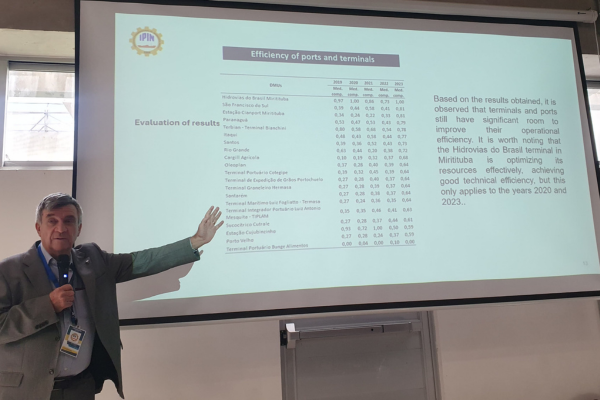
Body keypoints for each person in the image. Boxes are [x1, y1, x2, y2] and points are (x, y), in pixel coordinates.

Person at [0, 193, 223, 400]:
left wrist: (195, 241)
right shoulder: (9, 271)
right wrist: (47, 305)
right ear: (38, 228)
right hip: (27, 391)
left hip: (80, 388)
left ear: (79, 228)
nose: (61, 228)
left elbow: (143, 261)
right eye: (52, 221)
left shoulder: (95, 260)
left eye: (69, 221)